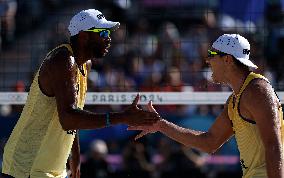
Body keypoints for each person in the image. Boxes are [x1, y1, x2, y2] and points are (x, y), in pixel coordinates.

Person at [1, 9, 160, 178]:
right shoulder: (62, 61)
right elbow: (68, 119)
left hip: (52, 167)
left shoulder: (85, 65)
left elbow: (74, 115)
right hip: (26, 166)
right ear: (84, 36)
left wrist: (75, 157)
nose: (109, 38)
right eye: (103, 32)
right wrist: (122, 117)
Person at [129, 34, 284, 178]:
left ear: (228, 60)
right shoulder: (234, 100)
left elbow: (274, 146)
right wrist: (161, 125)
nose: (207, 60)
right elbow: (209, 143)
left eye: (212, 55)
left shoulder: (257, 91)